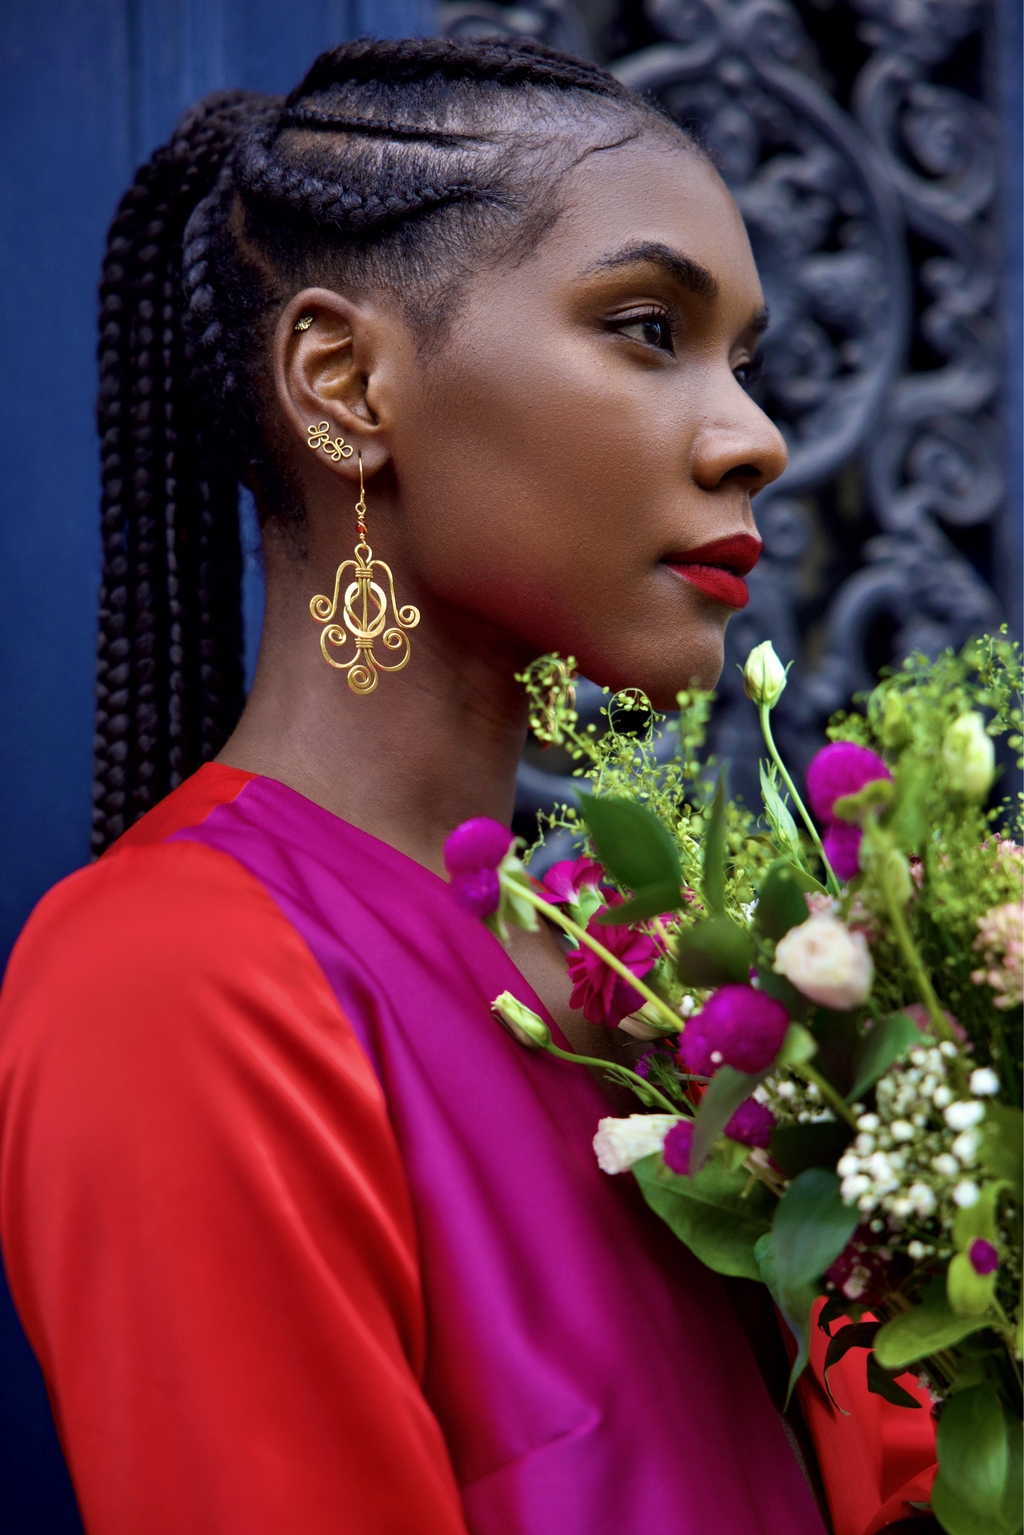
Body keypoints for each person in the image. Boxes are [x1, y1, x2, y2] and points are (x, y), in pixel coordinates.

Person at [0, 35, 924, 1535]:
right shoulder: (175, 981)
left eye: (741, 360)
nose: (754, 436)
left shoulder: (665, 981)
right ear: (348, 379)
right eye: (644, 328)